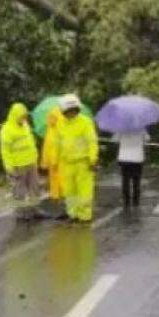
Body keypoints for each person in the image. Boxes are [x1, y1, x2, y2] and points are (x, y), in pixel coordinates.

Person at [57, 94, 98, 222]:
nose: (71, 113)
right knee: (69, 192)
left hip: (83, 162)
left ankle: (85, 216)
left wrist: (93, 159)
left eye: (73, 110)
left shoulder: (85, 122)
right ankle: (72, 214)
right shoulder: (60, 123)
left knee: (84, 191)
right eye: (68, 111)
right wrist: (59, 159)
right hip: (67, 163)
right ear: (64, 111)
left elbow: (92, 142)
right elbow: (59, 142)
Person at [0, 102, 40, 211]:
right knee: (19, 191)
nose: (24, 118)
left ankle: (34, 210)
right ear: (15, 115)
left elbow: (30, 141)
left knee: (34, 189)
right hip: (18, 165)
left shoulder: (25, 125)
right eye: (22, 116)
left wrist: (35, 156)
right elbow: (5, 150)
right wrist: (9, 166)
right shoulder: (6, 129)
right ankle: (21, 213)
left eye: (25, 116)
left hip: (31, 162)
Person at [114, 129, 147, 207]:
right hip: (137, 158)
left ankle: (126, 201)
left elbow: (115, 139)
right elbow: (147, 139)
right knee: (136, 180)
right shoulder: (141, 128)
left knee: (125, 180)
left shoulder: (122, 128)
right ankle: (136, 200)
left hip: (124, 158)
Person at [40, 107, 65, 204]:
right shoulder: (49, 130)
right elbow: (46, 147)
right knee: (53, 178)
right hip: (52, 160)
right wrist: (44, 161)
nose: (51, 119)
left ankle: (62, 196)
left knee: (62, 178)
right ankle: (55, 196)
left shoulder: (62, 129)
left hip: (62, 159)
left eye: (53, 117)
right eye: (50, 117)